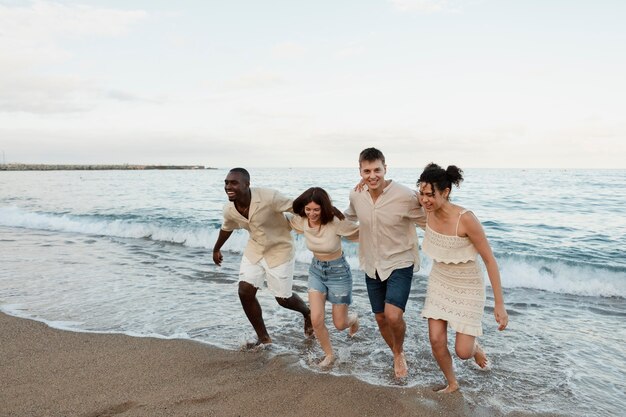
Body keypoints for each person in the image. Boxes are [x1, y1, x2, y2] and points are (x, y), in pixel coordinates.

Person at [417, 163, 508, 393]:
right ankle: (452, 383)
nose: (424, 199)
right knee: (436, 340)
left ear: (445, 192)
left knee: (463, 352)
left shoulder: (465, 219)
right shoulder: (424, 209)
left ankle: (475, 347)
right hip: (440, 279)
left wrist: (499, 304)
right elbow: (394, 195)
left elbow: (489, 260)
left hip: (468, 285)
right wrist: (367, 187)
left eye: (430, 194)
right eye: (421, 193)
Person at [345, 147, 426, 378]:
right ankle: (396, 352)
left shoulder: (404, 195)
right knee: (380, 317)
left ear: (385, 168)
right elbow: (347, 217)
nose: (372, 176)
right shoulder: (356, 195)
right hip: (372, 264)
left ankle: (399, 352)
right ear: (360, 171)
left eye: (377, 170)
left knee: (392, 315)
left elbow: (428, 218)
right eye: (367, 171)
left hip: (400, 261)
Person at [212, 168, 313, 347]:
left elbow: (297, 206)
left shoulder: (269, 197)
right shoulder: (229, 208)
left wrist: (318, 225)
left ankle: (307, 313)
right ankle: (263, 338)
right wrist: (216, 249)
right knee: (244, 291)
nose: (228, 186)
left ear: (247, 184)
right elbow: (227, 227)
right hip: (255, 249)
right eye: (226, 182)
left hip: (280, 249)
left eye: (233, 183)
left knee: (283, 299)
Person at [290, 187, 360, 367]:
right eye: (308, 209)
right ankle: (329, 355)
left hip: (339, 273)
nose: (311, 214)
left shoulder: (336, 222)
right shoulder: (302, 221)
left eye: (316, 209)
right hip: (316, 270)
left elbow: (362, 233)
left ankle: (353, 319)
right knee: (316, 319)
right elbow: (283, 220)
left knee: (340, 324)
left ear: (324, 208)